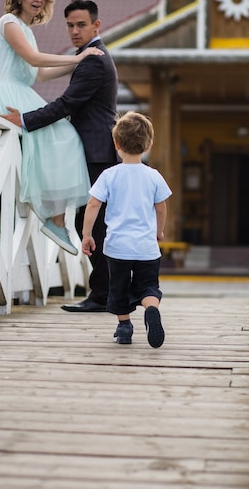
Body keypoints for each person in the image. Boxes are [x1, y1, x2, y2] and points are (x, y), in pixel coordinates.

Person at [2, 0, 119, 312]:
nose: (75, 31)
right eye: (70, 25)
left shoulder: (93, 59)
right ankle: (107, 293)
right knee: (93, 223)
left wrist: (25, 120)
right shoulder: (85, 57)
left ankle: (103, 295)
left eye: (81, 25)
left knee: (95, 225)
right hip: (95, 149)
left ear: (96, 25)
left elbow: (67, 104)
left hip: (97, 151)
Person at [0, 0, 104, 255]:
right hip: (6, 95)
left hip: (22, 92)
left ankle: (55, 217)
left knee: (64, 137)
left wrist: (78, 62)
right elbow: (34, 59)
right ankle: (52, 215)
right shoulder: (8, 23)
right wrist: (77, 58)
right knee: (62, 136)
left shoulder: (26, 29)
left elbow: (41, 75)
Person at [81, 111, 172, 348]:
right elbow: (161, 208)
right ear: (149, 144)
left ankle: (124, 326)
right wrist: (158, 231)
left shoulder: (109, 175)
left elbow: (93, 204)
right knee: (149, 286)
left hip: (118, 247)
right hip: (146, 247)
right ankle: (151, 309)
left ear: (116, 143)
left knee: (118, 288)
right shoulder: (153, 176)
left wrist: (87, 234)